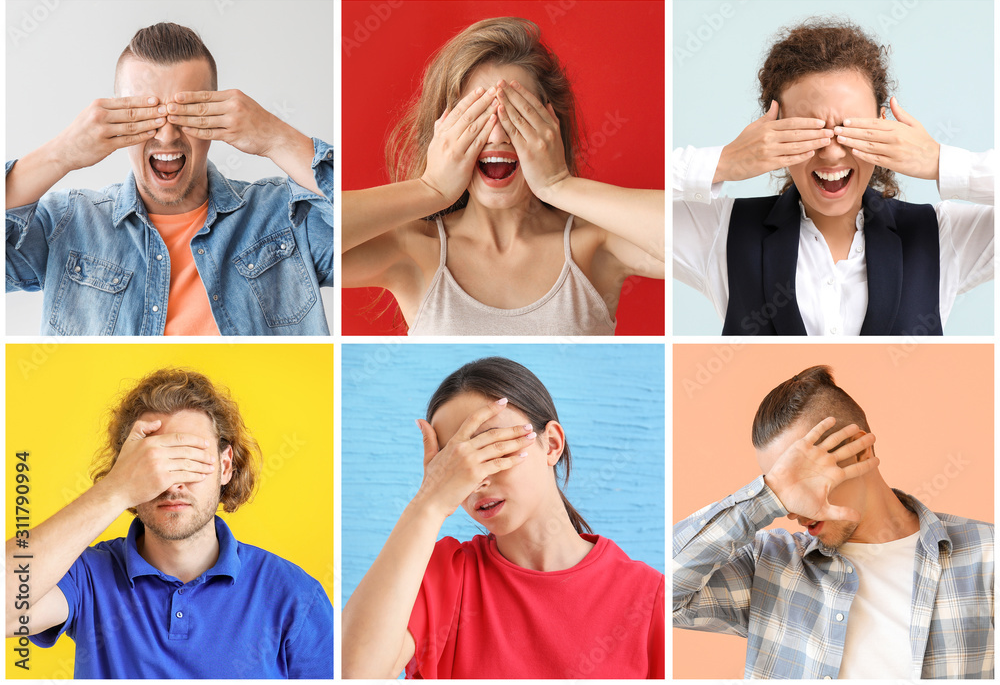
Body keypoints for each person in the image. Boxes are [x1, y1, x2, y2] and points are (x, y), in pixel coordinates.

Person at [342, 357, 664, 678]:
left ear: (551, 444)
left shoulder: (649, 598)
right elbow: (351, 673)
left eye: (491, 447)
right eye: (452, 465)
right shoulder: (445, 576)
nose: (476, 478)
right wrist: (430, 502)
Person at [342, 17, 665, 335]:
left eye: (516, 112)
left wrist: (558, 184)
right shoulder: (412, 248)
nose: (497, 134)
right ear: (444, 133)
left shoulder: (599, 244)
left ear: (551, 129)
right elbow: (302, 243)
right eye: (477, 115)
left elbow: (706, 240)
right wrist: (431, 188)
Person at [6, 22, 333, 336]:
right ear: (118, 120)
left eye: (187, 113)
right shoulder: (66, 223)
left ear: (217, 118)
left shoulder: (285, 216)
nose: (166, 136)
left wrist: (277, 138)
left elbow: (375, 215)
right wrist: (60, 154)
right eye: (145, 116)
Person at [5, 368, 333, 678]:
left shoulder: (294, 596)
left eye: (190, 460)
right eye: (153, 463)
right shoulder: (87, 576)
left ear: (226, 465)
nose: (172, 483)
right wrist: (116, 489)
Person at [673, 19, 994, 336]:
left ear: (884, 127)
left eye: (851, 129)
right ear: (772, 132)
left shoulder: (943, 237)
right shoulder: (721, 230)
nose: (831, 153)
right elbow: (620, 203)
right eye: (807, 131)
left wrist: (941, 162)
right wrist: (721, 163)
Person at [673, 365, 994, 679]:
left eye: (802, 476)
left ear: (861, 451)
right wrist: (765, 498)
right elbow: (661, 593)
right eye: (781, 486)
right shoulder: (770, 566)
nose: (793, 507)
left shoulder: (987, 554)